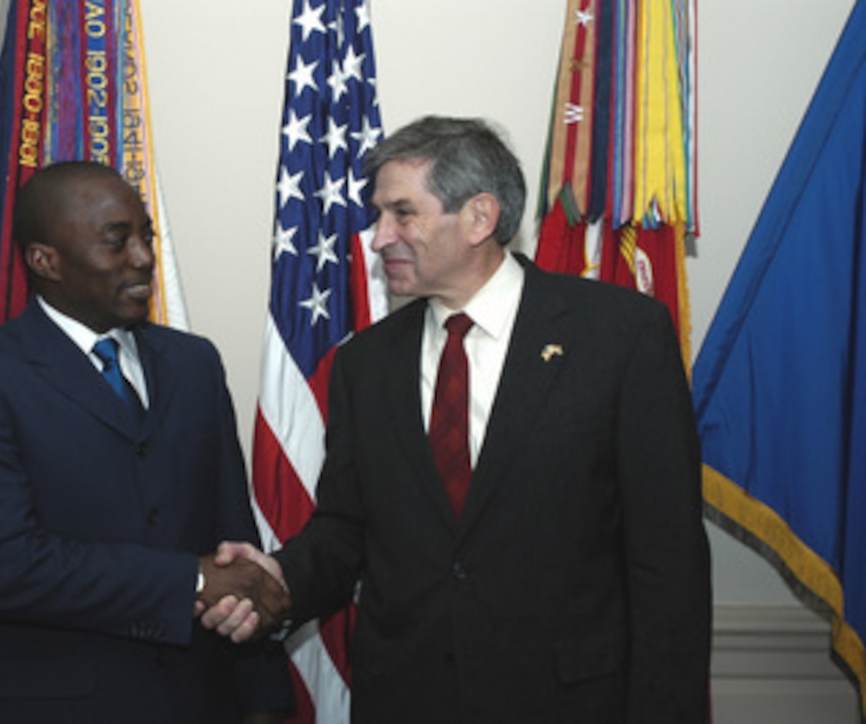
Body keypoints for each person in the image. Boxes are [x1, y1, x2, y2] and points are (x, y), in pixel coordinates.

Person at [204, 116, 712, 722]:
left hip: (570, 700)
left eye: (402, 213)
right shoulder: (365, 364)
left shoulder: (620, 337)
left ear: (479, 217)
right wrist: (278, 580)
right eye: (377, 215)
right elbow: (347, 529)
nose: (377, 236)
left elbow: (668, 560)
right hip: (407, 699)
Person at [0, 161, 292, 724]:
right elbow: (1, 566)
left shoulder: (193, 364)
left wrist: (262, 698)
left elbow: (231, 537)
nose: (144, 257)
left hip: (204, 702)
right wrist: (189, 580)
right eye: (117, 242)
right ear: (45, 261)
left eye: (146, 236)